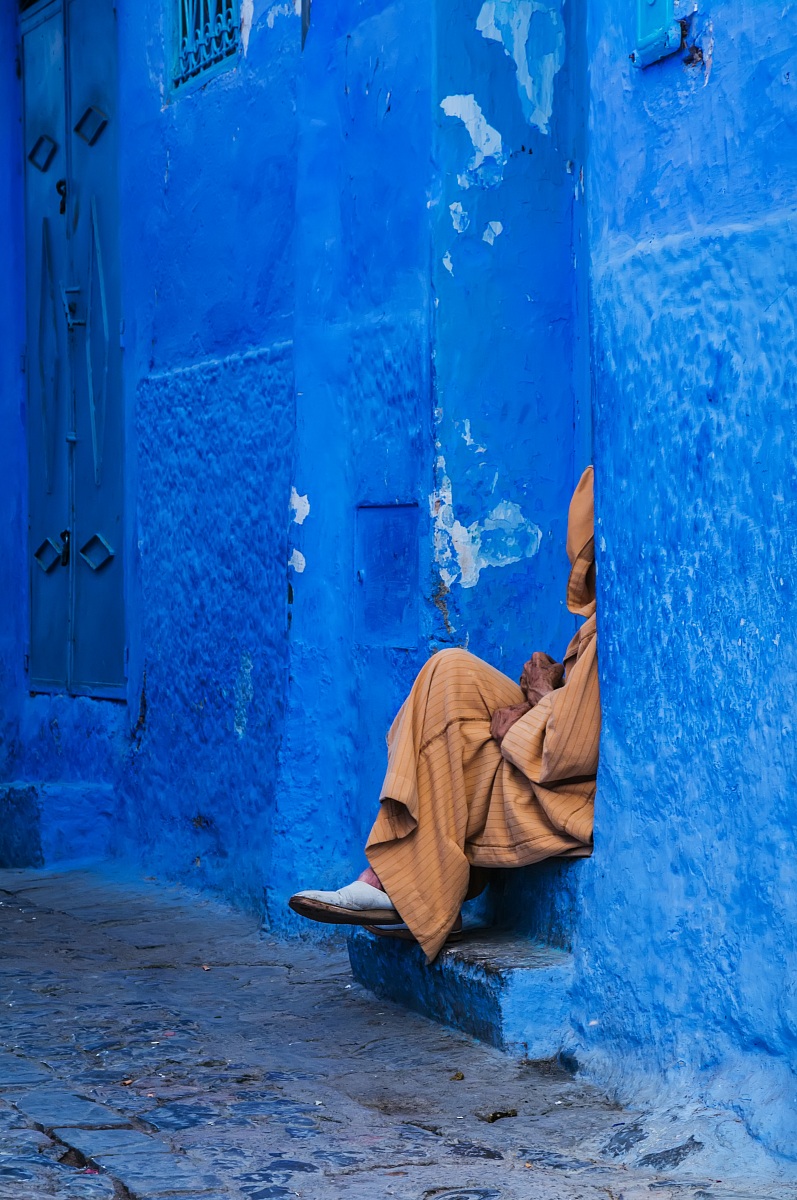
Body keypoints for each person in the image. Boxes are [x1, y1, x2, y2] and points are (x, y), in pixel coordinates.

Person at [290, 467, 599, 961]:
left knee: (453, 727)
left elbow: (566, 751)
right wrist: (547, 687)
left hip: (562, 799)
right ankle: (404, 887)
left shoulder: (610, 633)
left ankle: (404, 889)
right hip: (541, 751)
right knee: (448, 672)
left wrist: (532, 711)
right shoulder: (599, 626)